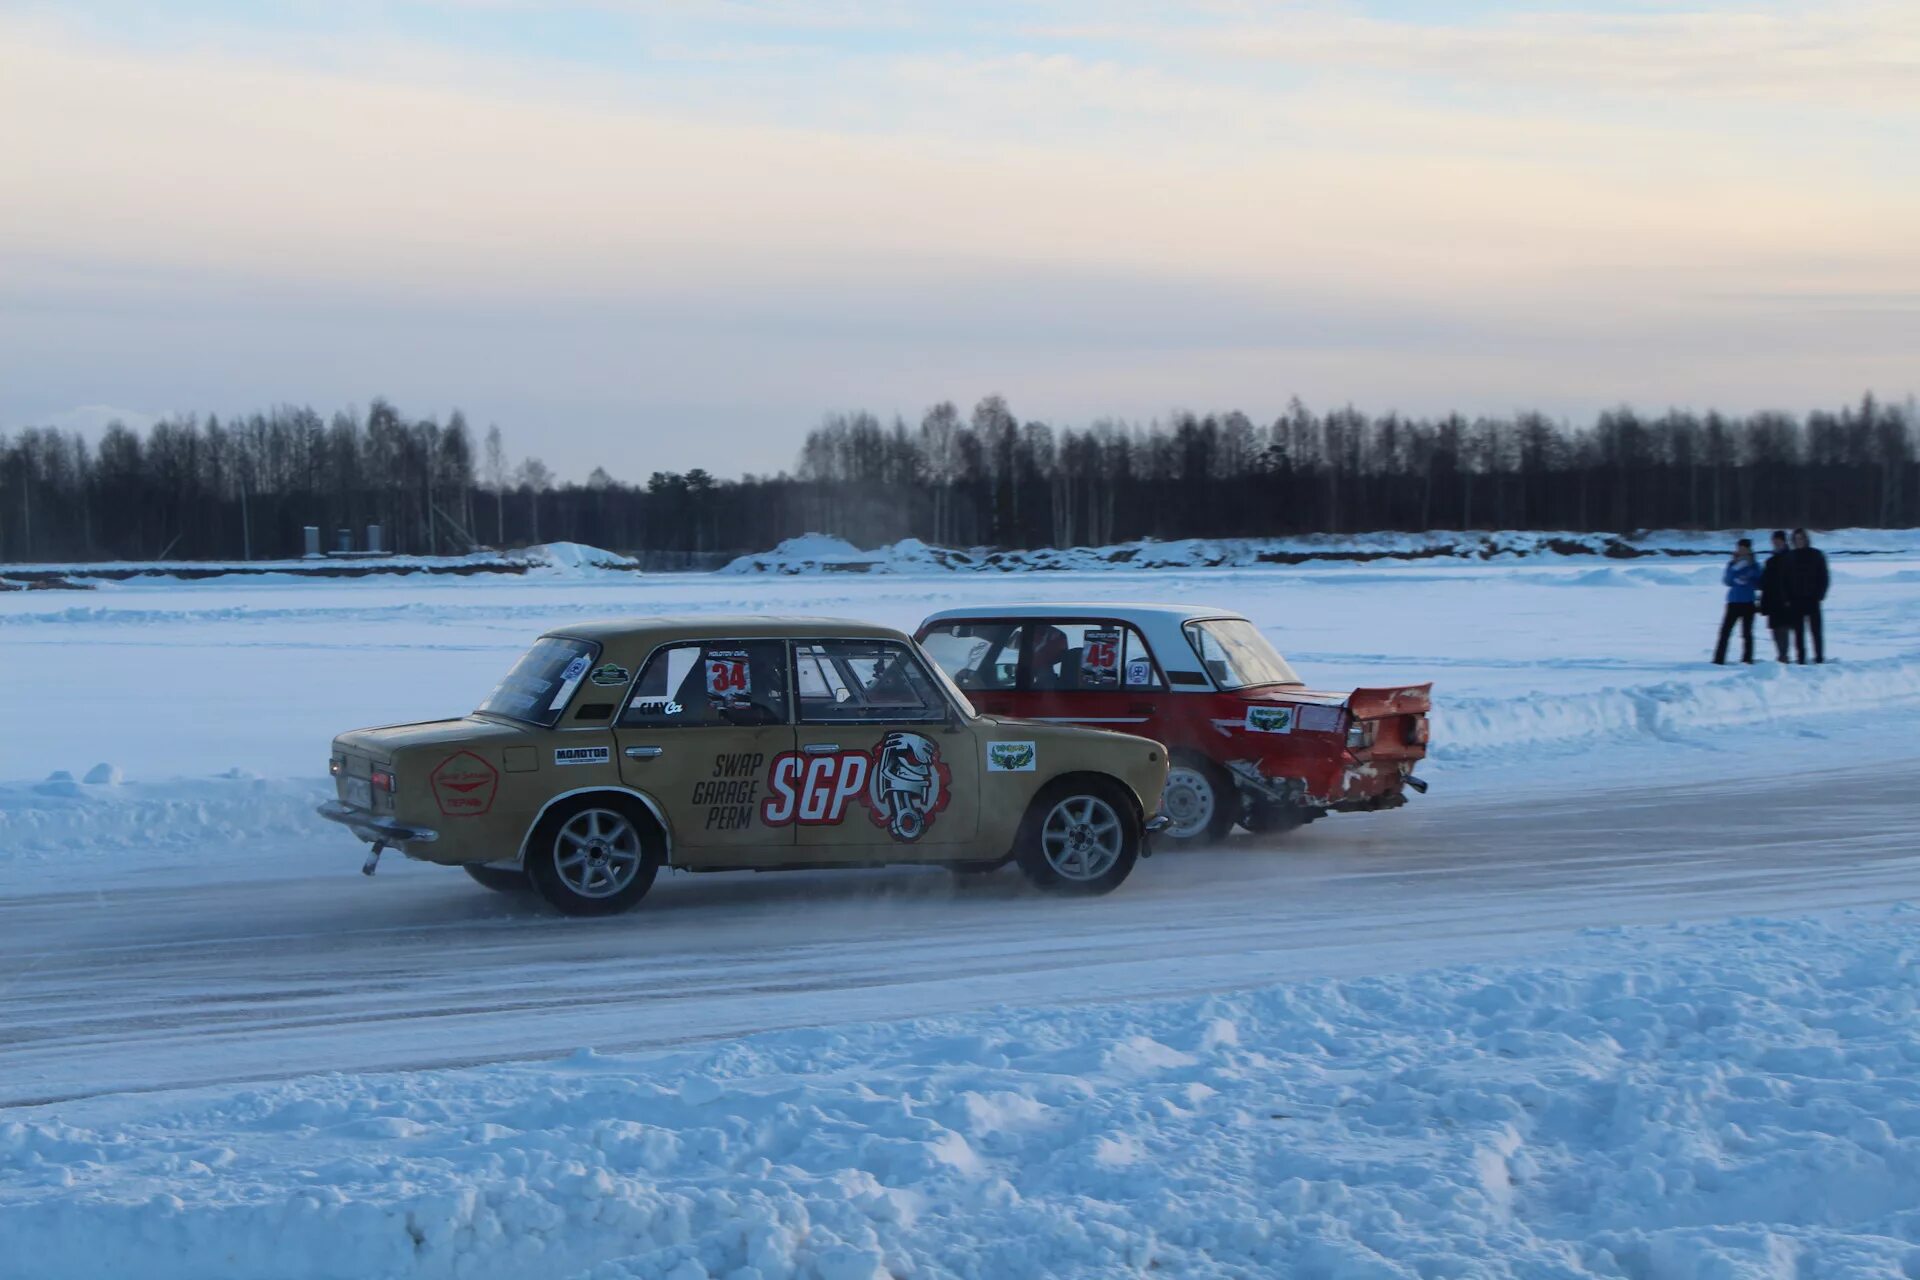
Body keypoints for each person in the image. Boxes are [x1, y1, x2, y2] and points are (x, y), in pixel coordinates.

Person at [1785, 528, 1830, 663]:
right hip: (1795, 599)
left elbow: (1824, 577)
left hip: (1812, 598)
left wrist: (1820, 594)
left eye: (1801, 539)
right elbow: (1784, 579)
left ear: (1806, 540)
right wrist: (1787, 597)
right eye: (1796, 539)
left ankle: (1819, 657)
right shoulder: (1790, 557)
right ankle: (1801, 658)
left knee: (1816, 631)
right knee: (1798, 632)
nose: (1799, 542)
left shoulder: (1816, 555)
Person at [1713, 538, 1761, 664]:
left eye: (1744, 549)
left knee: (1747, 633)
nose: (1741, 551)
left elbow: (1759, 582)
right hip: (1733, 601)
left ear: (1749, 550)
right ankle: (1719, 659)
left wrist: (1748, 580)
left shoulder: (1754, 565)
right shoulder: (1732, 564)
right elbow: (1727, 581)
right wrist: (1734, 569)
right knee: (1725, 631)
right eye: (1739, 548)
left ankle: (1747, 659)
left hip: (1748, 602)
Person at [1757, 530, 1795, 662]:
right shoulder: (1771, 560)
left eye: (1778, 541)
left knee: (1783, 628)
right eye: (1774, 541)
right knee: (1775, 628)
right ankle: (1780, 653)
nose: (1776, 543)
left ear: (1784, 542)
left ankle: (1784, 655)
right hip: (1772, 598)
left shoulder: (1790, 557)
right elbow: (1765, 580)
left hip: (1785, 598)